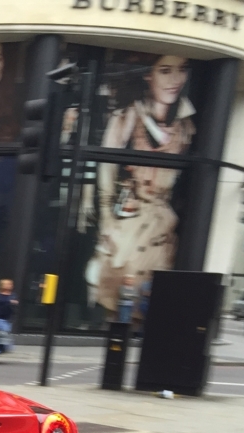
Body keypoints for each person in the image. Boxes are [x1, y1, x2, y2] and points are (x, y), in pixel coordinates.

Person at [86, 54, 194, 317]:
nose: (175, 80)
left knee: (147, 300)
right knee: (114, 293)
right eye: (165, 71)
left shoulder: (185, 126)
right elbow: (106, 168)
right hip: (128, 225)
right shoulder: (128, 117)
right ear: (148, 75)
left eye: (182, 70)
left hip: (162, 229)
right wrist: (107, 222)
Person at [0, 278, 18, 349]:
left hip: (8, 317)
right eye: (7, 284)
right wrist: (10, 301)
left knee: (3, 333)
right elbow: (0, 300)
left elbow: (14, 303)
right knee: (5, 331)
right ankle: (8, 347)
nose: (10, 286)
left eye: (11, 284)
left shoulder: (13, 295)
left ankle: (0, 347)